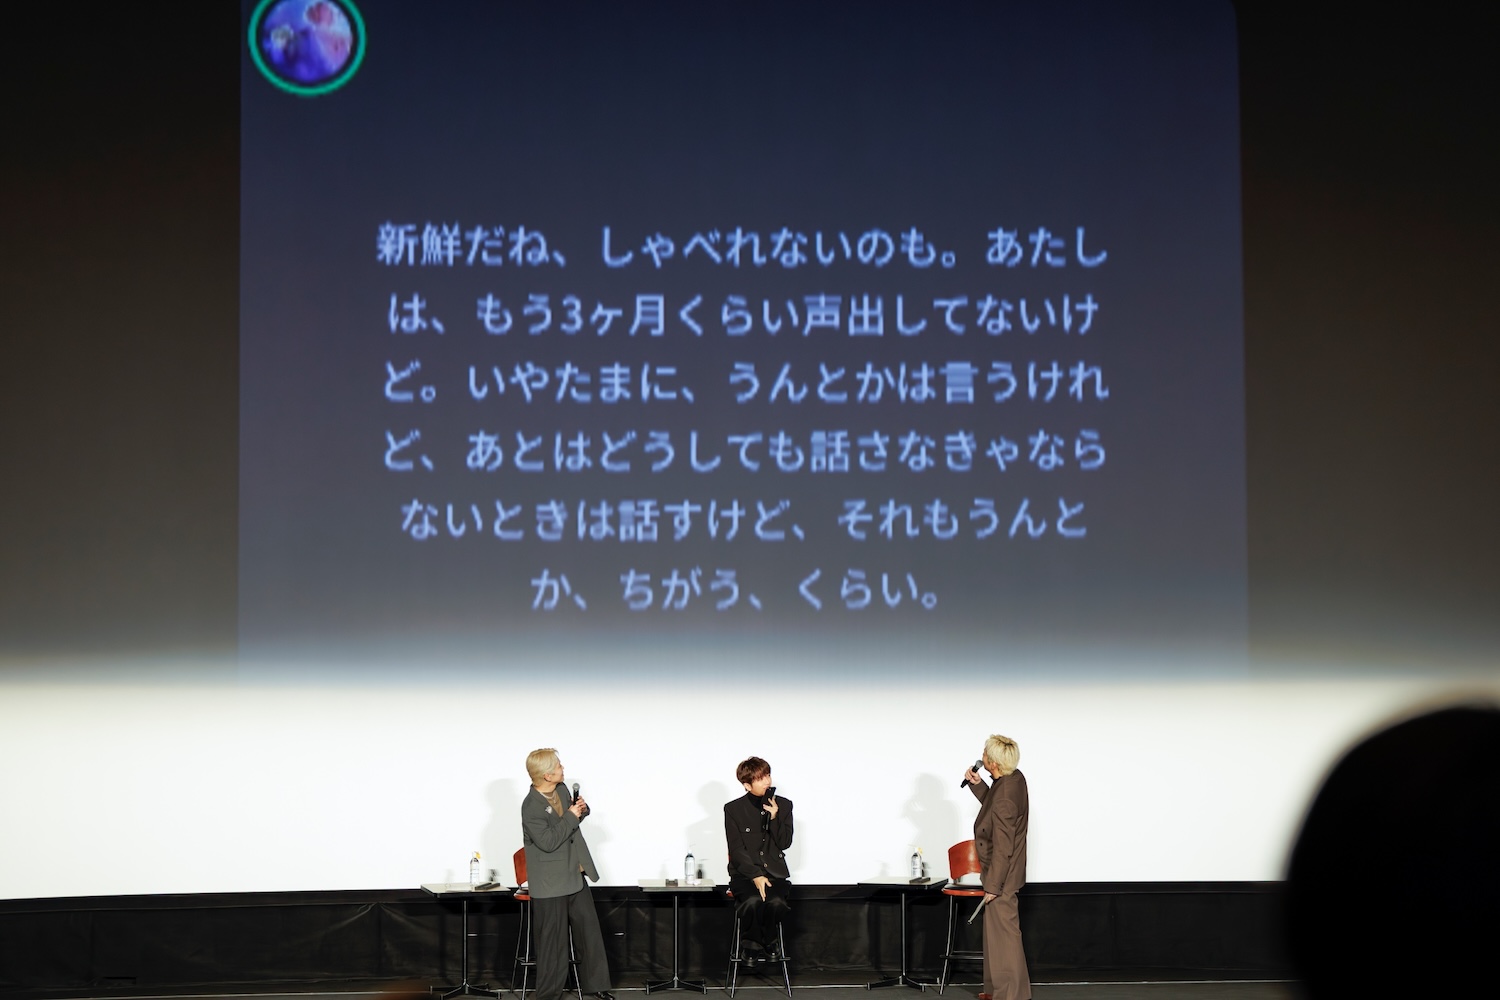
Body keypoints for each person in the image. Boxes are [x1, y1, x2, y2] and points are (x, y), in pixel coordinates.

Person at [521, 748, 614, 1000]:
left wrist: (581, 810)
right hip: (550, 882)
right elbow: (548, 842)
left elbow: (569, 826)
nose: (563, 768)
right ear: (547, 775)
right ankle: (548, 995)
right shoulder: (531, 806)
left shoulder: (561, 790)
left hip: (574, 872)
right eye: (559, 766)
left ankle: (597, 985)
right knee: (552, 943)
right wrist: (572, 816)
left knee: (589, 933)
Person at [962, 734, 1029, 1000]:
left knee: (1005, 937)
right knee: (997, 935)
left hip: (1003, 875)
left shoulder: (1005, 797)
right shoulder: (1013, 779)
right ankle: (997, 991)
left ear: (993, 763)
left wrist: (993, 885)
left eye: (985, 754)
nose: (982, 756)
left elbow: (1003, 846)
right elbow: (996, 809)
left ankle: (1011, 995)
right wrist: (978, 786)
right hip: (1003, 873)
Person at [724, 756, 794, 964]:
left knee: (776, 902)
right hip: (744, 875)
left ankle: (770, 940)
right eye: (760, 778)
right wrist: (755, 875)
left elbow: (785, 843)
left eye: (768, 775)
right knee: (752, 901)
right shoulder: (733, 809)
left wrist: (774, 818)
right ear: (747, 785)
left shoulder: (784, 805)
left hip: (774, 873)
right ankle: (752, 944)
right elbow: (736, 849)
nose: (767, 781)